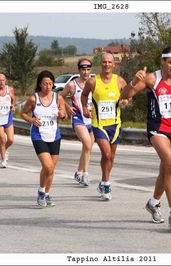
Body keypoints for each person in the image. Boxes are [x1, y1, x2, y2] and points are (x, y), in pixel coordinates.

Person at [120, 46, 171, 229]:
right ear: (163, 62)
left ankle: (153, 202)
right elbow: (126, 95)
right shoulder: (152, 78)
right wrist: (134, 81)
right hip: (158, 129)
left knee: (165, 171)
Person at [81, 52, 130, 200]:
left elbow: (128, 94)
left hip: (115, 124)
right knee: (107, 154)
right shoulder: (93, 82)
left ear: (114, 64)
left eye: (110, 62)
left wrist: (125, 101)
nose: (107, 65)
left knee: (110, 157)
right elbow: (84, 95)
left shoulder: (120, 81)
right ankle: (107, 184)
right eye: (104, 62)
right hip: (99, 124)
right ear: (101, 64)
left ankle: (103, 180)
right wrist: (84, 107)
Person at [21, 70, 67, 207]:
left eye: (50, 84)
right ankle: (41, 191)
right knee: (48, 166)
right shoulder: (33, 99)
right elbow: (23, 113)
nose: (47, 86)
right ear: (40, 84)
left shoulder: (58, 98)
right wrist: (32, 120)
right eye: (45, 84)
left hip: (54, 135)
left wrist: (62, 115)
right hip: (38, 135)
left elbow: (64, 114)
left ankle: (46, 194)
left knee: (51, 169)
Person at [60, 58, 95, 187]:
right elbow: (59, 97)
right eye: (83, 70)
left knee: (88, 147)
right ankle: (85, 175)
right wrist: (68, 108)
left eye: (88, 70)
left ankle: (79, 172)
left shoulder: (94, 83)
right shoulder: (72, 85)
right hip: (78, 117)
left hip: (92, 118)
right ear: (79, 70)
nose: (86, 72)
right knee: (86, 143)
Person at [0, 74, 16, 168]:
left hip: (8, 116)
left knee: (10, 140)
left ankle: (4, 150)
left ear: (5, 81)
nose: (1, 82)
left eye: (3, 80)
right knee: (3, 139)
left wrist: (13, 105)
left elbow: (14, 99)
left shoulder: (10, 90)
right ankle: (3, 160)